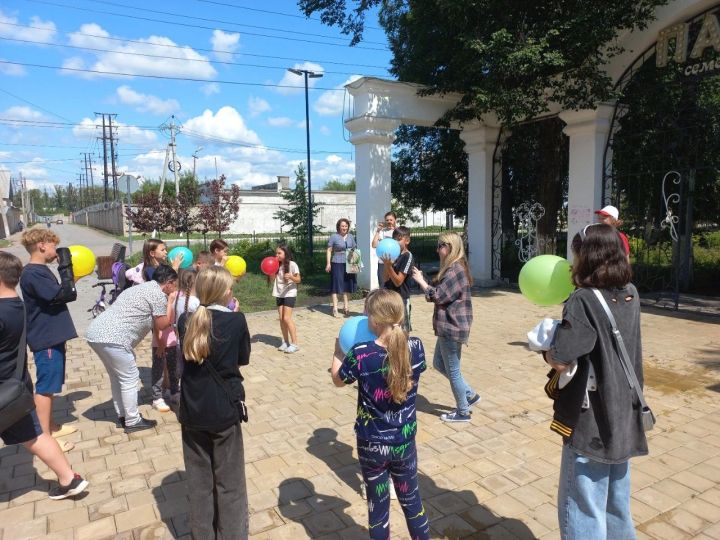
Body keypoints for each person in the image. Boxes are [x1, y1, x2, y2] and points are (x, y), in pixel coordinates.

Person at [543, 223, 647, 540]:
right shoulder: (631, 293)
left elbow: (562, 357)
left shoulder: (583, 300)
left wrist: (545, 347)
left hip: (594, 421)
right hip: (626, 413)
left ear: (586, 257)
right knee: (617, 504)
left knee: (583, 507)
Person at [330, 288, 429, 540]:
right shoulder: (416, 347)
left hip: (371, 444)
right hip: (404, 442)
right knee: (413, 503)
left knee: (378, 507)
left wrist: (338, 351)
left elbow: (338, 380)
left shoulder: (361, 354)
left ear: (373, 320)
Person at [0, 252, 89, 500]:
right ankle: (69, 479)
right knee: (35, 435)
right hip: (14, 386)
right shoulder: (15, 306)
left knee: (35, 435)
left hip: (4, 386)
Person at [178, 266, 250, 539]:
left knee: (198, 482)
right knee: (229, 482)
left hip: (192, 409)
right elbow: (242, 358)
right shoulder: (236, 320)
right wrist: (233, 312)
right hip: (223, 409)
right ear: (225, 292)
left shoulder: (186, 319)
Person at [86, 264, 177, 433]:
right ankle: (133, 420)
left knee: (117, 377)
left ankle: (123, 416)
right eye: (175, 285)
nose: (175, 288)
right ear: (169, 283)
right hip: (114, 338)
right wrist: (170, 302)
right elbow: (163, 324)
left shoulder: (139, 288)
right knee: (129, 378)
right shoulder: (157, 294)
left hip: (96, 333)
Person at [19, 228, 78, 452]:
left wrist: (70, 279)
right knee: (45, 387)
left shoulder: (40, 270)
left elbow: (60, 293)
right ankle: (43, 437)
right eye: (53, 245)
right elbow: (62, 295)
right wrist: (66, 267)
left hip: (52, 335)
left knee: (52, 384)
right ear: (42, 245)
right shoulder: (33, 273)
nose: (55, 249)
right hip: (46, 338)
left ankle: (50, 426)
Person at [411, 232, 480, 422]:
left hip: (452, 326)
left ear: (450, 247)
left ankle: (463, 411)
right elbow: (438, 293)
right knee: (439, 363)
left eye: (441, 245)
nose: (437, 249)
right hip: (448, 326)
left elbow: (438, 296)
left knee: (453, 371)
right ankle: (470, 395)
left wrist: (421, 282)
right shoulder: (452, 268)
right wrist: (425, 281)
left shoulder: (455, 270)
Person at [383, 226, 414, 332]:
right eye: (394, 239)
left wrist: (388, 266)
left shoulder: (407, 256)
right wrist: (387, 265)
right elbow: (385, 279)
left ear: (407, 241)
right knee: (389, 329)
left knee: (403, 331)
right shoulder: (393, 255)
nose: (396, 242)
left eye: (399, 239)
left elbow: (398, 282)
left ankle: (405, 348)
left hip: (402, 299)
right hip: (390, 298)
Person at [170, 268, 199, 381]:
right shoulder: (196, 302)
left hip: (178, 342)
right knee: (192, 373)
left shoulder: (176, 300)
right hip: (192, 343)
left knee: (181, 372)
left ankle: (180, 392)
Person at [272, 244, 301, 354]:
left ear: (286, 254)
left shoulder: (292, 265)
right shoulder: (276, 265)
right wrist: (270, 272)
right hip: (279, 293)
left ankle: (295, 343)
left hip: (290, 292)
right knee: (281, 318)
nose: (277, 255)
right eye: (276, 253)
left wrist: (292, 277)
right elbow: (272, 277)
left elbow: (298, 279)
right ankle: (285, 342)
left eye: (279, 253)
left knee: (286, 318)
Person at [325, 218, 357, 318]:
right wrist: (328, 263)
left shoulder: (351, 236)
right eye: (342, 226)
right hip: (337, 262)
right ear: (339, 226)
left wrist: (356, 264)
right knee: (336, 284)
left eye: (346, 226)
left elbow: (354, 250)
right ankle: (335, 308)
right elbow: (329, 250)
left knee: (347, 285)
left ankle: (346, 307)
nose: (344, 228)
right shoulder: (334, 236)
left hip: (350, 262)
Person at [371, 211, 397, 289]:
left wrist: (396, 229)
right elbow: (374, 245)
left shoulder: (398, 232)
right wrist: (378, 231)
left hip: (395, 262)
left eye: (391, 220)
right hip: (382, 262)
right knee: (383, 286)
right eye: (387, 220)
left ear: (395, 220)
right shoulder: (381, 232)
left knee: (394, 286)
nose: (389, 222)